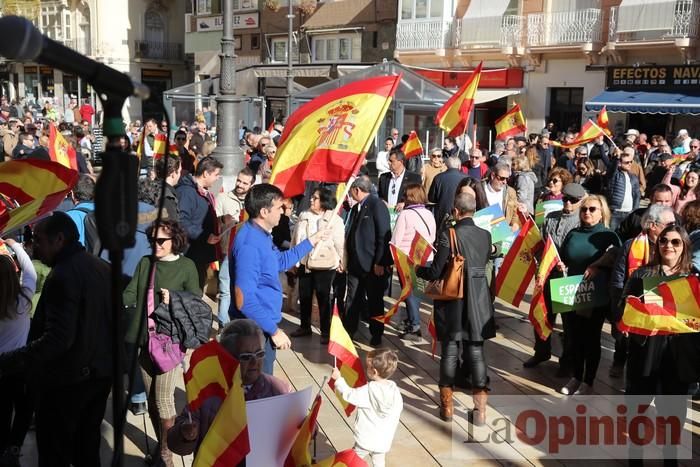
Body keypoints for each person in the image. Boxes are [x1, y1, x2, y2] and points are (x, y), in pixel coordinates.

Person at [0, 212, 113, 466]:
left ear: (59, 239)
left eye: (38, 240)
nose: (34, 245)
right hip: (98, 376)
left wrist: (8, 361)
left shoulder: (64, 275)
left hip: (68, 383)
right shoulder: (98, 267)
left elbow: (58, 340)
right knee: (87, 447)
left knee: (56, 452)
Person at [123, 220, 201, 467]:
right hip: (144, 340)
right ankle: (162, 447)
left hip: (170, 341)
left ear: (174, 241)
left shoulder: (186, 266)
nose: (156, 245)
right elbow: (130, 293)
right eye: (153, 240)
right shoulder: (146, 263)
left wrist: (175, 299)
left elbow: (196, 299)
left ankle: (167, 457)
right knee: (152, 400)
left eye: (161, 241)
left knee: (164, 399)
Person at [229, 184, 329, 375]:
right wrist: (274, 331)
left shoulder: (262, 236)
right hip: (254, 331)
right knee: (256, 391)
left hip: (262, 326)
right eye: (279, 208)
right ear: (264, 211)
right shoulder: (249, 244)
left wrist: (312, 240)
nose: (283, 212)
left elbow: (280, 262)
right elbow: (244, 300)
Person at [620, 225, 699, 466]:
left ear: (684, 246)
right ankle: (635, 458)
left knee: (673, 411)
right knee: (637, 408)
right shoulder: (642, 275)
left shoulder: (693, 278)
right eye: (664, 240)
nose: (669, 246)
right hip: (646, 349)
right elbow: (623, 310)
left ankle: (670, 459)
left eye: (676, 242)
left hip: (679, 353)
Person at [416, 193, 495, 425]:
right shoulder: (485, 235)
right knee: (476, 352)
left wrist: (419, 269)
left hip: (453, 301)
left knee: (450, 350)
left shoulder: (448, 235)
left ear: (456, 211)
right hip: (479, 301)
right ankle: (480, 412)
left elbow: (436, 271)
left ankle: (447, 408)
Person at [168, 319, 291, 456]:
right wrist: (184, 434)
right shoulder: (206, 393)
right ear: (227, 358)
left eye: (260, 354)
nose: (254, 362)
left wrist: (305, 429)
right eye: (246, 356)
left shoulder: (279, 390)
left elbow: (293, 435)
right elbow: (176, 445)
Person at [558, 195, 620, 395]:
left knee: (591, 338)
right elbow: (565, 256)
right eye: (584, 209)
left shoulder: (609, 236)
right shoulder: (573, 233)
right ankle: (575, 377)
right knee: (573, 336)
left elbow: (616, 261)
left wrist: (598, 266)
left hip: (595, 294)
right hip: (570, 290)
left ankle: (588, 380)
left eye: (592, 209)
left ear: (602, 212)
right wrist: (561, 264)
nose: (587, 212)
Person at [523, 183, 586, 373]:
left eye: (573, 200)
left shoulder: (581, 222)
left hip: (568, 278)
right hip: (548, 274)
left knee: (568, 323)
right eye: (565, 199)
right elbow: (542, 243)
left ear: (580, 201)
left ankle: (566, 362)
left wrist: (568, 263)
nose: (568, 203)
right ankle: (541, 351)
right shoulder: (550, 218)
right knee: (542, 314)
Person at [608, 205, 675, 379]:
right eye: (669, 224)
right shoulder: (631, 245)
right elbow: (618, 281)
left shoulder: (674, 248)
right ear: (653, 225)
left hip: (661, 314)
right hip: (634, 310)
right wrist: (619, 314)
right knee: (634, 358)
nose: (674, 228)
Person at [289, 187, 345, 344]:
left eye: (316, 198)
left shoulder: (334, 219)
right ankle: (305, 326)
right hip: (305, 261)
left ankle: (325, 331)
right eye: (312, 197)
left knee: (323, 296)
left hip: (325, 263)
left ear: (325, 201)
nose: (312, 200)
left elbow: (340, 243)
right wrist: (293, 259)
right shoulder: (304, 215)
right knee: (304, 295)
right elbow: (295, 238)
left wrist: (342, 261)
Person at [331, 348, 403, 467]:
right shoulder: (395, 391)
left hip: (366, 439)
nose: (366, 369)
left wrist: (338, 379)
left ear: (374, 372)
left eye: (367, 367)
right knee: (379, 462)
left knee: (353, 459)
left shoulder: (369, 391)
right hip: (383, 439)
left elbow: (349, 394)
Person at [0, 239, 37, 466]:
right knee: (24, 408)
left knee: (2, 411)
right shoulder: (23, 300)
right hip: (20, 364)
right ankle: (14, 446)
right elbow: (30, 271)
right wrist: (16, 245)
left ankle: (2, 447)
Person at [343, 176, 392, 347]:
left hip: (372, 264)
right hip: (356, 263)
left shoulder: (376, 205)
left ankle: (376, 333)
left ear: (357, 190)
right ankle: (348, 331)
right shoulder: (356, 207)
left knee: (375, 301)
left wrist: (380, 262)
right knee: (352, 299)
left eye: (351, 191)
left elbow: (384, 235)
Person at [390, 183, 436, 340]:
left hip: (407, 259)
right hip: (426, 258)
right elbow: (433, 237)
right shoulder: (429, 214)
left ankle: (415, 325)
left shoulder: (405, 215)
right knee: (417, 292)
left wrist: (392, 259)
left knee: (409, 293)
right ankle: (412, 320)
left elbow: (396, 239)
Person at [215, 167, 255, 327]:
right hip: (228, 252)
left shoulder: (254, 203)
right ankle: (224, 327)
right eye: (239, 180)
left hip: (247, 255)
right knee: (225, 291)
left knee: (244, 291)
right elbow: (215, 224)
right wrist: (224, 221)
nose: (240, 185)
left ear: (251, 185)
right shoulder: (223, 198)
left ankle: (242, 325)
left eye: (245, 183)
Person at [176, 156, 223, 289]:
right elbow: (181, 222)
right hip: (190, 254)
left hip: (199, 254)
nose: (218, 178)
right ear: (206, 173)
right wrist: (204, 236)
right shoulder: (186, 192)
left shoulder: (202, 192)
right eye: (216, 174)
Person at [607, 147, 641, 231]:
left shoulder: (633, 177)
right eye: (626, 162)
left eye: (631, 162)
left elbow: (637, 195)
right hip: (615, 212)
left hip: (629, 213)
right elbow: (612, 169)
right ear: (619, 163)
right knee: (611, 235)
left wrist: (635, 210)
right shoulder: (614, 175)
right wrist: (616, 158)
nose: (630, 164)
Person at [428, 156, 467, 226]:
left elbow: (431, 198)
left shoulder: (438, 177)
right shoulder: (466, 178)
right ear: (459, 166)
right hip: (461, 215)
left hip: (442, 216)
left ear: (447, 166)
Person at [155, 156, 182, 222]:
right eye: (180, 171)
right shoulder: (167, 198)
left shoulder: (149, 187)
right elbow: (170, 227)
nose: (180, 174)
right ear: (173, 174)